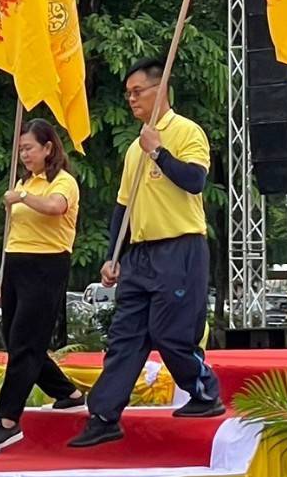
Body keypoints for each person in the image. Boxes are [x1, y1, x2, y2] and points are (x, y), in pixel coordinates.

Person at [70, 59, 224, 449]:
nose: (132, 99)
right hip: (139, 254)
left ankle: (204, 391)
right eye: (128, 94)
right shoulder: (133, 149)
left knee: (171, 334)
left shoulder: (187, 132)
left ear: (161, 89)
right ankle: (104, 415)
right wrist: (112, 255)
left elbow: (195, 181)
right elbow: (123, 207)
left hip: (180, 247)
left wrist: (159, 153)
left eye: (138, 91)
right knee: (125, 335)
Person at [0, 119, 85, 449]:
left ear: (47, 148)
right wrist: (1, 279)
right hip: (16, 264)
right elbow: (14, 235)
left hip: (46, 265)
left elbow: (56, 208)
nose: (24, 154)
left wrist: (22, 196)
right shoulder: (24, 182)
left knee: (25, 343)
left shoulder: (62, 182)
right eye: (21, 149)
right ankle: (67, 393)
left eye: (29, 148)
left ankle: (8, 419)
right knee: (16, 340)